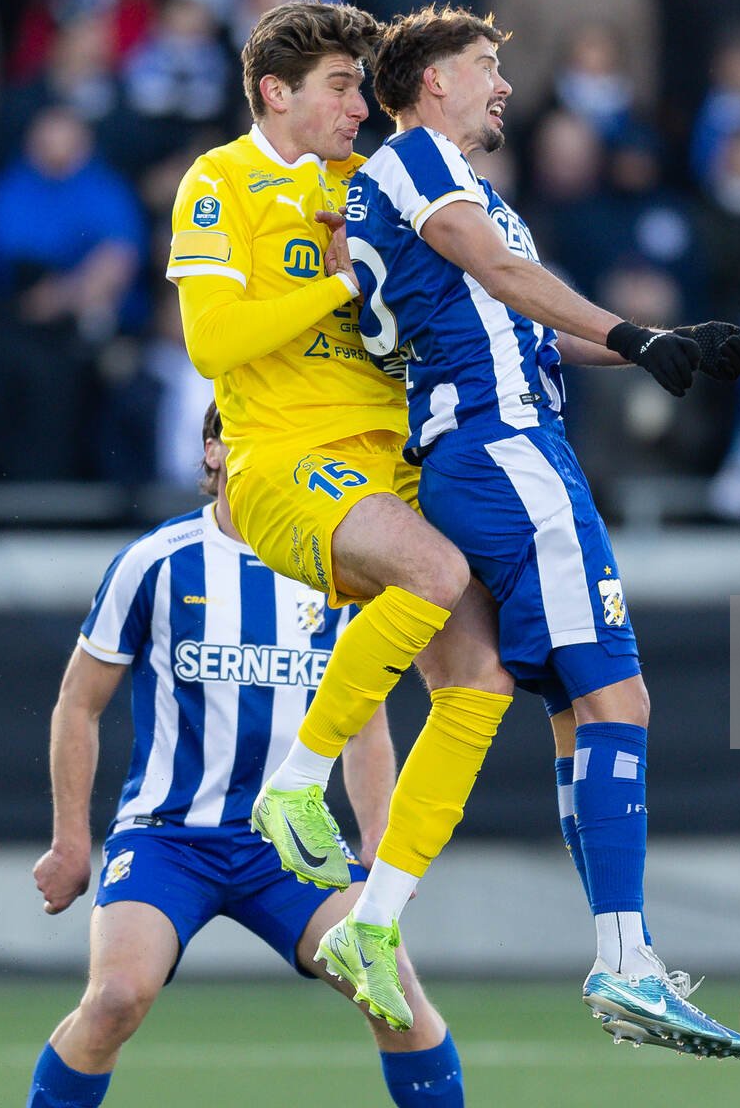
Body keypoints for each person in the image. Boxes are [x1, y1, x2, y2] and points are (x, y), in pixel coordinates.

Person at [331, 4, 740, 1054]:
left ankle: (604, 952)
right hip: (504, 449)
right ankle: (624, 960)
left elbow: (524, 322)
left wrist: (661, 343)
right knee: (619, 696)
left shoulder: (452, 184)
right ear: (433, 81)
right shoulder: (418, 163)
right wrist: (631, 331)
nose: (504, 85)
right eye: (486, 64)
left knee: (577, 712)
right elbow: (499, 273)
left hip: (499, 444)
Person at [166, 0, 518, 1042]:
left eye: (363, 87)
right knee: (436, 574)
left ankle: (377, 916)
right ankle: (294, 787)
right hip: (287, 457)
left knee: (483, 677)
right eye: (338, 87)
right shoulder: (221, 180)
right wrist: (334, 285)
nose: (360, 106)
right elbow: (212, 341)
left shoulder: (366, 185)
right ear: (275, 93)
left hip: (391, 457)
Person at [25, 403, 465, 1108]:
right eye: (245, 434)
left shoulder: (343, 572)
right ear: (212, 452)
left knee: (395, 1000)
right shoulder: (156, 562)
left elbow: (364, 725)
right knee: (114, 998)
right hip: (170, 837)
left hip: (289, 846)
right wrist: (70, 841)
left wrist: (382, 839)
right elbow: (79, 703)